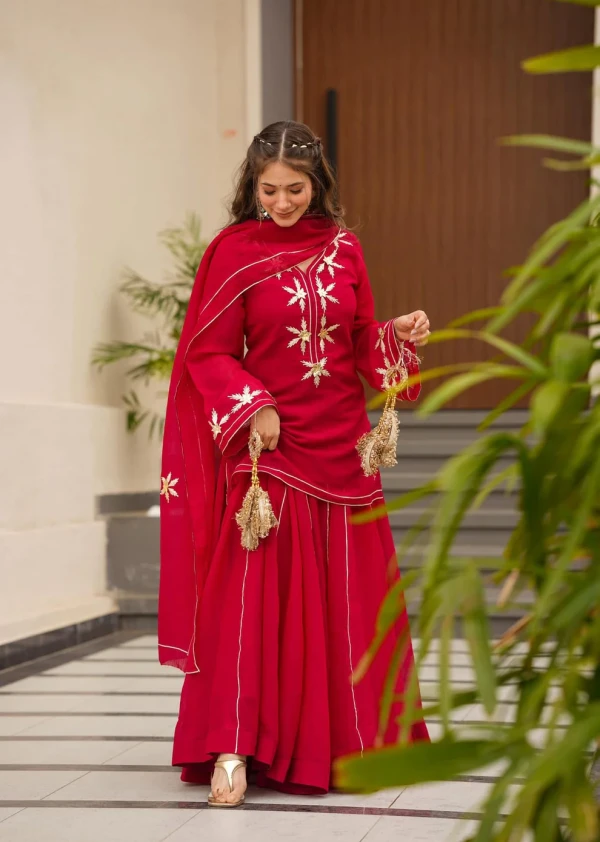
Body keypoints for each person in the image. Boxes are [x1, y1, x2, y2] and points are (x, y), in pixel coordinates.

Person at [158, 120, 431, 807]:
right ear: (252, 186)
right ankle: (233, 747)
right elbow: (208, 352)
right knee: (251, 600)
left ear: (318, 186)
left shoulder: (345, 247)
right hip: (271, 447)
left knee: (350, 600)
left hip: (343, 445)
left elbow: (359, 340)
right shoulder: (233, 251)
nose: (281, 202)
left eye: (295, 189)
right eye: (269, 189)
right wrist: (254, 405)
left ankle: (353, 746)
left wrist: (395, 336)